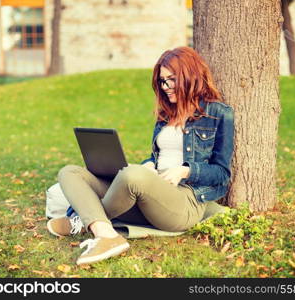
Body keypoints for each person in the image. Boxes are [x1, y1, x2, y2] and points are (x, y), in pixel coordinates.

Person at [47, 46, 234, 265]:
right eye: (162, 81)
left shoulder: (218, 113)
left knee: (132, 175)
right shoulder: (166, 115)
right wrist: (149, 166)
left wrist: (185, 170)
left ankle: (81, 219)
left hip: (185, 201)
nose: (165, 87)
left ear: (188, 75)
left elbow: (222, 172)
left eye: (171, 79)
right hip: (150, 194)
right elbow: (158, 157)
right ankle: (105, 233)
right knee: (70, 172)